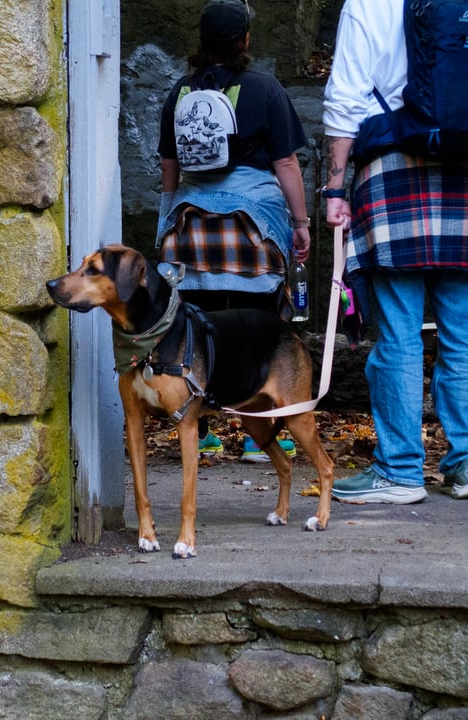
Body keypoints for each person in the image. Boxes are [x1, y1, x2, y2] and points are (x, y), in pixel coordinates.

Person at [321, 0, 468, 503]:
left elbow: (346, 97)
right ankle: (466, 467)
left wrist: (336, 188)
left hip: (391, 170)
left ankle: (400, 470)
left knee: (399, 333)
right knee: (463, 330)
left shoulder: (367, 2)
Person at [157, 0, 310, 463]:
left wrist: (168, 221)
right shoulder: (264, 89)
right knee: (258, 330)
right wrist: (300, 224)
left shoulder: (180, 93)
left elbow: (169, 165)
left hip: (192, 230)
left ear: (201, 42)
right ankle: (257, 436)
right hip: (251, 231)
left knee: (190, 331)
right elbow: (285, 162)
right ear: (245, 40)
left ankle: (197, 430)